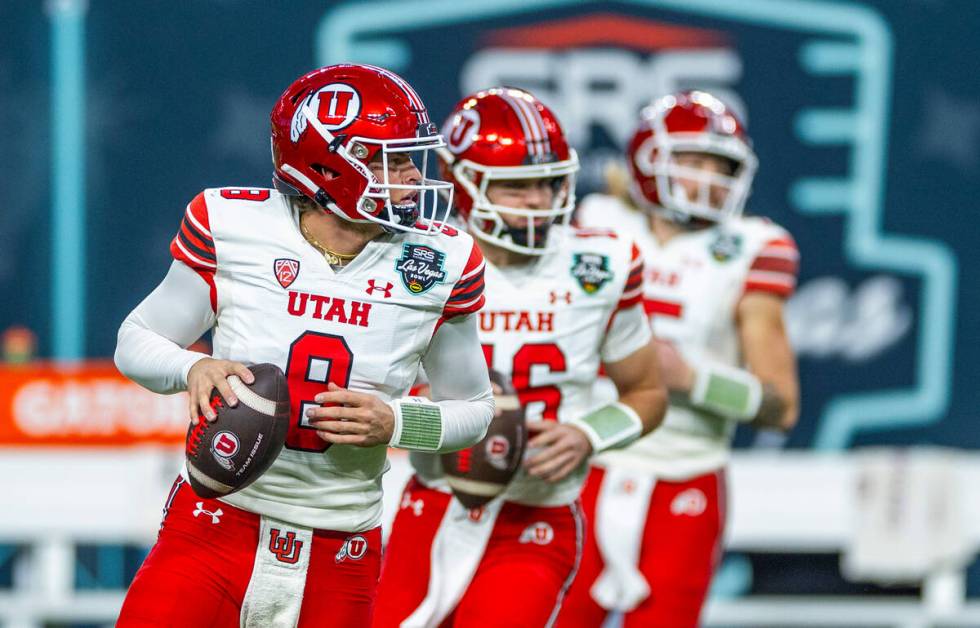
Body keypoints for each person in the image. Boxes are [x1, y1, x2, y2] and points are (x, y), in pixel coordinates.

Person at [113, 63, 495, 627]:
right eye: (391, 160)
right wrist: (190, 367)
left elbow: (474, 409)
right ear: (327, 164)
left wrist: (397, 423)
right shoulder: (233, 224)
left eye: (412, 159)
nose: (413, 178)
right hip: (216, 524)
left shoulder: (441, 261)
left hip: (341, 547)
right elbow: (135, 341)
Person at [373, 87, 668, 628]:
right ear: (464, 183)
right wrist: (437, 424)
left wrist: (588, 435)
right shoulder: (417, 259)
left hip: (538, 515)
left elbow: (647, 393)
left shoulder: (600, 264)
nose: (538, 200)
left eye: (549, 182)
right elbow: (375, 399)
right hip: (435, 502)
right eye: (517, 186)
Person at [556, 90, 801, 627]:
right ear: (648, 161)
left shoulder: (753, 246)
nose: (710, 178)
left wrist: (689, 377)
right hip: (585, 459)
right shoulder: (594, 224)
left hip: (684, 473)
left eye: (722, 165)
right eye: (694, 161)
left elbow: (779, 406)